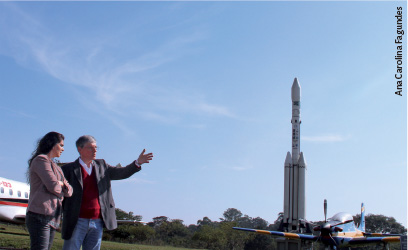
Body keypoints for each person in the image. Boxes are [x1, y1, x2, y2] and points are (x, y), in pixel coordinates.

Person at [61, 135, 153, 250]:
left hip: (97, 221)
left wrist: (137, 163)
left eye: (96, 148)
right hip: (76, 221)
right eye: (91, 148)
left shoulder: (102, 166)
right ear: (80, 149)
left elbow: (122, 172)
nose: (95, 150)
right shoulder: (67, 170)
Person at [26, 131, 73, 250]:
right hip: (39, 215)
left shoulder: (57, 168)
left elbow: (70, 191)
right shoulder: (41, 160)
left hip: (53, 217)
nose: (63, 149)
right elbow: (54, 187)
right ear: (52, 144)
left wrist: (61, 184)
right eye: (61, 145)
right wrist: (61, 185)